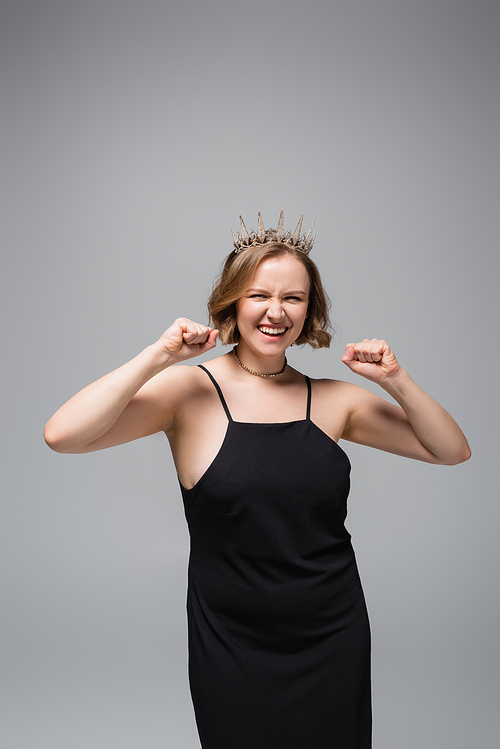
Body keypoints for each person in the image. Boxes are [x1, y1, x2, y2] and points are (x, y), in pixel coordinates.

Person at [44, 211, 470, 749]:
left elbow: (451, 450)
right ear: (232, 304)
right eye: (258, 296)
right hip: (231, 641)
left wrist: (396, 380)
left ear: (309, 308)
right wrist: (159, 355)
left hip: (330, 634)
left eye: (293, 297)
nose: (276, 312)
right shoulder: (189, 393)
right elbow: (63, 434)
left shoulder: (335, 400)